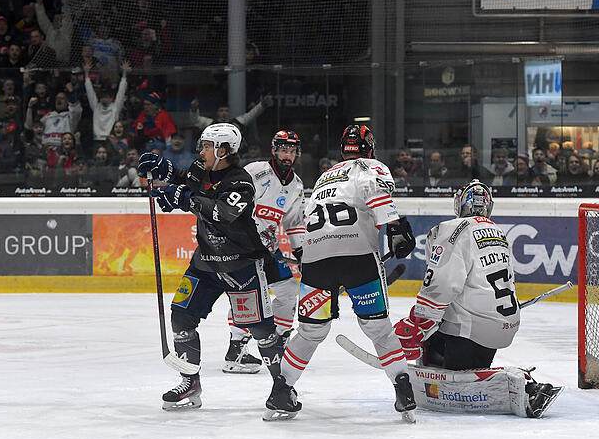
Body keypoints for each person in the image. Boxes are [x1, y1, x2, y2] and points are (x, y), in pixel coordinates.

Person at [136, 123, 287, 417]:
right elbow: (185, 181)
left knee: (261, 330)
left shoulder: (240, 182)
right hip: (205, 262)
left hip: (241, 265)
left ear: (223, 150)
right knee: (181, 316)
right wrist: (163, 170)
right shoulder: (201, 168)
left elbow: (224, 212)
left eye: (206, 146)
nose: (201, 151)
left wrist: (185, 198)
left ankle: (282, 386)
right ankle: (190, 382)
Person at [279, 124, 418, 422]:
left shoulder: (323, 177)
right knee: (379, 328)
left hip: (315, 259)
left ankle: (281, 391)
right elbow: (375, 193)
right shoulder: (371, 166)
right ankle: (403, 389)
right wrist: (394, 227)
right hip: (358, 256)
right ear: (370, 147)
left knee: (310, 331)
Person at [393, 180, 562, 418]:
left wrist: (417, 323)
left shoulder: (453, 229)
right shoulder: (498, 232)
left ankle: (516, 383)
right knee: (454, 347)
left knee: (430, 346)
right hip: (502, 329)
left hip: (470, 331)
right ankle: (473, 372)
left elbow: (441, 285)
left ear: (459, 204)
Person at [221, 130, 306, 374]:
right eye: (283, 150)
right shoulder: (256, 171)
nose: (287, 155)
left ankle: (277, 343)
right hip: (241, 247)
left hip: (269, 248)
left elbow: (294, 222)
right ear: (273, 150)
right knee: (248, 297)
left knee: (289, 292)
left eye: (291, 151)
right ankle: (236, 350)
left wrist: (300, 251)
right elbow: (228, 199)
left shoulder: (297, 185)